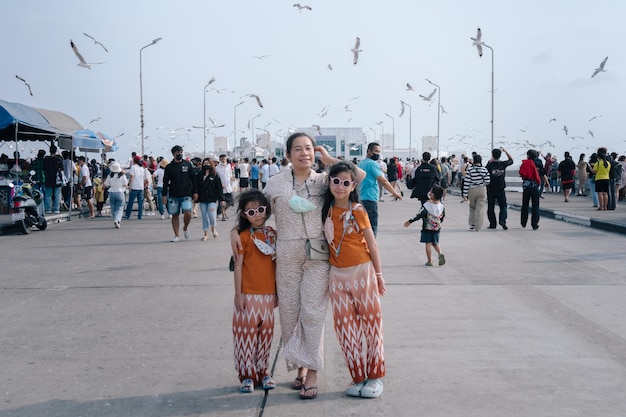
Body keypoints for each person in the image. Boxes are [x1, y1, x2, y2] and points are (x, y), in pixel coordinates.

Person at [231, 132, 365, 401]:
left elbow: (358, 175)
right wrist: (236, 229)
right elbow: (253, 208)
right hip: (287, 254)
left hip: (318, 254)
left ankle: (312, 371)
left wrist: (329, 159)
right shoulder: (276, 183)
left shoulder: (324, 180)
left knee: (313, 313)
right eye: (298, 149)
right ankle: (300, 367)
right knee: (290, 314)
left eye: (308, 149)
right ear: (288, 154)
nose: (304, 153)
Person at [321, 161, 387, 398]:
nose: (339, 186)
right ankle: (357, 376)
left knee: (371, 325)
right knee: (345, 329)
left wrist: (378, 275)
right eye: (335, 180)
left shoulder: (357, 209)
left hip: (362, 271)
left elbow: (372, 243)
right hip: (336, 276)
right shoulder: (325, 208)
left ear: (353, 186)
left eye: (345, 182)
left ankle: (375, 377)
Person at [232, 189, 277, 394]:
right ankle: (247, 376)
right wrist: (238, 294)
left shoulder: (272, 235)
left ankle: (263, 372)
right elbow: (239, 266)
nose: (257, 214)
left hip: (268, 295)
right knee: (245, 337)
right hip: (248, 294)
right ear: (244, 215)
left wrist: (276, 292)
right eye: (251, 212)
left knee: (265, 336)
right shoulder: (242, 237)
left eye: (260, 209)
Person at [358, 142, 402, 237]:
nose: (377, 154)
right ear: (369, 151)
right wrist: (395, 193)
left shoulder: (361, 163)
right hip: (370, 198)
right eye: (375, 151)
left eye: (379, 152)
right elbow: (383, 181)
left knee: (363, 228)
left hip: (361, 198)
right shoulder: (372, 164)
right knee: (371, 229)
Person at [404, 184, 446, 266]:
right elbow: (442, 217)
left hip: (427, 228)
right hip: (437, 228)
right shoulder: (441, 207)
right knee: (435, 243)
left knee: (428, 244)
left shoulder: (427, 205)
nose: (429, 193)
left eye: (431, 192)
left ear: (432, 195)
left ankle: (429, 261)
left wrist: (410, 221)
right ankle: (440, 253)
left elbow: (419, 215)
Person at [162, 145, 198, 242]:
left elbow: (193, 178)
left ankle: (185, 227)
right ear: (173, 154)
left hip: (186, 194)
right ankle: (176, 235)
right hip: (173, 195)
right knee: (175, 215)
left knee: (188, 213)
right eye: (177, 152)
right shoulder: (169, 167)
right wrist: (164, 195)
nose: (180, 154)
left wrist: (195, 191)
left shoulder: (187, 164)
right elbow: (165, 182)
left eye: (181, 152)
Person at [196, 157, 225, 240]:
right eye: (204, 163)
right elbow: (196, 186)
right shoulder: (199, 175)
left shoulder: (215, 175)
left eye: (208, 163)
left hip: (212, 199)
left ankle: (213, 228)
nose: (206, 165)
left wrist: (222, 199)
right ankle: (205, 234)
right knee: (204, 216)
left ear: (211, 164)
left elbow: (219, 188)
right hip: (202, 199)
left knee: (212, 215)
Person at [485, 147, 513, 230]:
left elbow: (485, 172)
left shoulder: (489, 164)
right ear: (500, 156)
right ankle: (502, 220)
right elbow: (511, 160)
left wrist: (491, 159)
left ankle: (493, 224)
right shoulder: (503, 164)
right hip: (501, 188)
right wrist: (505, 151)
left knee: (491, 207)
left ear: (492, 155)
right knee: (503, 206)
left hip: (491, 189)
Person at [519, 149, 548, 230]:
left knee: (525, 205)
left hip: (526, 187)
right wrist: (547, 183)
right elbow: (543, 174)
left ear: (528, 156)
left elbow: (521, 174)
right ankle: (534, 224)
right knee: (535, 206)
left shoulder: (524, 163)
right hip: (535, 187)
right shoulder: (539, 163)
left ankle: (523, 222)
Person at [462, 154, 490, 231]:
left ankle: (472, 223)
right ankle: (478, 226)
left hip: (472, 190)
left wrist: (464, 194)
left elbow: (466, 182)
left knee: (472, 207)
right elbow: (488, 181)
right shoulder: (484, 170)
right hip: (482, 189)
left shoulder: (470, 170)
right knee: (480, 208)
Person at [103, 162, 128, 228]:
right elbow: (125, 184)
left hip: (111, 192)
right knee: (120, 208)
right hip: (120, 192)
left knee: (113, 208)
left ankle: (115, 219)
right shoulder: (122, 176)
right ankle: (117, 220)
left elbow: (106, 184)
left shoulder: (109, 176)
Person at [124, 155, 147, 220]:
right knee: (140, 202)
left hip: (134, 186)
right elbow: (143, 178)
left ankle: (128, 215)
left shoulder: (133, 167)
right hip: (141, 187)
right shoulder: (141, 168)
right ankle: (140, 215)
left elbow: (131, 177)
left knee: (131, 202)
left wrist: (130, 186)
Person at [43, 145, 64, 214]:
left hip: (48, 179)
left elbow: (44, 169)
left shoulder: (46, 159)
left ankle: (48, 209)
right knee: (57, 194)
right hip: (57, 179)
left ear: (49, 151)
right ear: (56, 151)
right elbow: (62, 169)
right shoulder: (59, 159)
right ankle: (56, 209)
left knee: (48, 195)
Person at [216, 154, 235, 221]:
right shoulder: (217, 168)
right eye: (222, 158)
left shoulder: (229, 166)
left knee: (231, 202)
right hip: (221, 188)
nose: (224, 160)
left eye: (225, 158)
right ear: (220, 159)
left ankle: (223, 211)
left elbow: (230, 174)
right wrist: (220, 184)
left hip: (228, 187)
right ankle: (223, 215)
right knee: (222, 202)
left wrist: (232, 178)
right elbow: (216, 178)